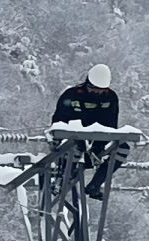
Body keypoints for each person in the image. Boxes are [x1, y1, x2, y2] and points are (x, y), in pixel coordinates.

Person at [51, 64, 130, 200]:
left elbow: (111, 125)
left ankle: (95, 184)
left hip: (97, 143)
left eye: (101, 90)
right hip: (71, 142)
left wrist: (100, 144)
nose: (97, 93)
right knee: (72, 149)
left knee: (122, 149)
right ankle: (64, 175)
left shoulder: (110, 98)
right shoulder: (72, 95)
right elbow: (58, 123)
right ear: (87, 83)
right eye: (94, 89)